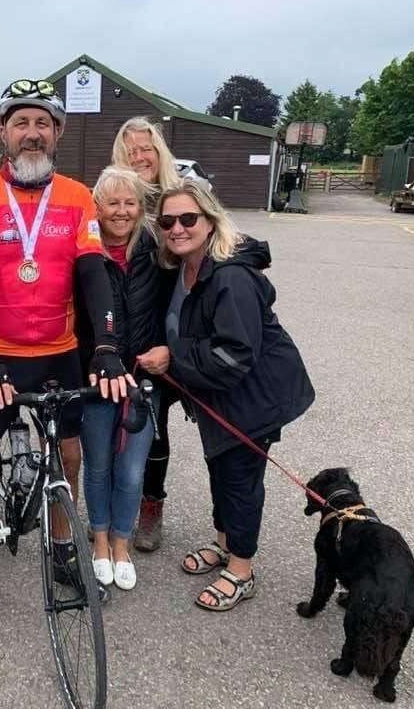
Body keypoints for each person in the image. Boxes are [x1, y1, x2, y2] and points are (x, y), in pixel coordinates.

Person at [0, 79, 132, 635]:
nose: (32, 133)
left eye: (43, 123)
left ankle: (63, 548)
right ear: (4, 133)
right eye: (21, 123)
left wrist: (107, 345)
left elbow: (92, 274)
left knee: (67, 461)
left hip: (59, 354)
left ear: (57, 132)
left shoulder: (77, 196)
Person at [137, 179, 314, 611]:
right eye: (168, 221)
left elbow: (234, 353)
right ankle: (223, 543)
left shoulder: (231, 276)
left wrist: (172, 358)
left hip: (251, 396)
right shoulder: (186, 265)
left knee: (240, 481)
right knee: (220, 470)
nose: (177, 228)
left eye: (188, 219)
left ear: (211, 220)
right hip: (218, 395)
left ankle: (241, 569)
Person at [75, 166, 163, 592]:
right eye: (113, 202)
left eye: (130, 203)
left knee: (131, 471)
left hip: (142, 380)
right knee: (98, 466)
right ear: (97, 207)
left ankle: (123, 545)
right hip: (95, 380)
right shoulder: (84, 254)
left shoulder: (157, 251)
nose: (122, 212)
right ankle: (100, 539)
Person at [109, 116, 182, 552]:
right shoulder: (118, 200)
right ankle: (118, 502)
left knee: (156, 425)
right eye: (130, 149)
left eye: (146, 147)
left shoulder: (179, 198)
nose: (139, 156)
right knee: (110, 421)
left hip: (167, 331)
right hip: (124, 330)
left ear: (160, 152)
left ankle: (150, 504)